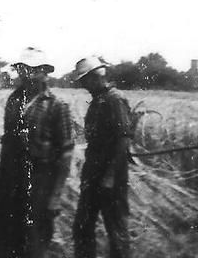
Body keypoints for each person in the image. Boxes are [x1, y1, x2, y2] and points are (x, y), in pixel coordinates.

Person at [0, 47, 74, 258]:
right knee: (5, 240)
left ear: (43, 72)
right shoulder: (14, 100)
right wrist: (1, 184)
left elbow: (66, 153)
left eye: (29, 69)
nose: (23, 74)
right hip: (11, 179)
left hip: (40, 181)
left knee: (33, 241)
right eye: (21, 69)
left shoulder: (57, 105)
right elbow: (7, 144)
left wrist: (55, 197)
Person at [72, 56, 132, 258]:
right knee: (82, 226)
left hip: (110, 178)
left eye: (85, 80)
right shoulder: (97, 101)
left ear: (97, 76)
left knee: (116, 230)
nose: (83, 85)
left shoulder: (115, 99)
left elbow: (123, 140)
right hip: (93, 174)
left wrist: (110, 176)